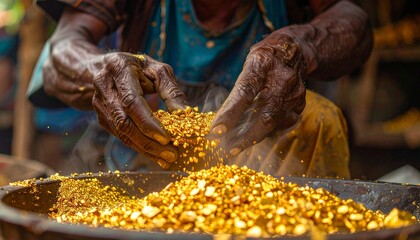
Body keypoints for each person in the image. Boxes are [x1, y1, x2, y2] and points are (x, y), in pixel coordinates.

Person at [31, 0, 373, 178]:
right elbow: (60, 51)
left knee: (318, 117)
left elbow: (355, 22)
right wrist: (100, 70)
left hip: (270, 162)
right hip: (149, 160)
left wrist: (300, 46)